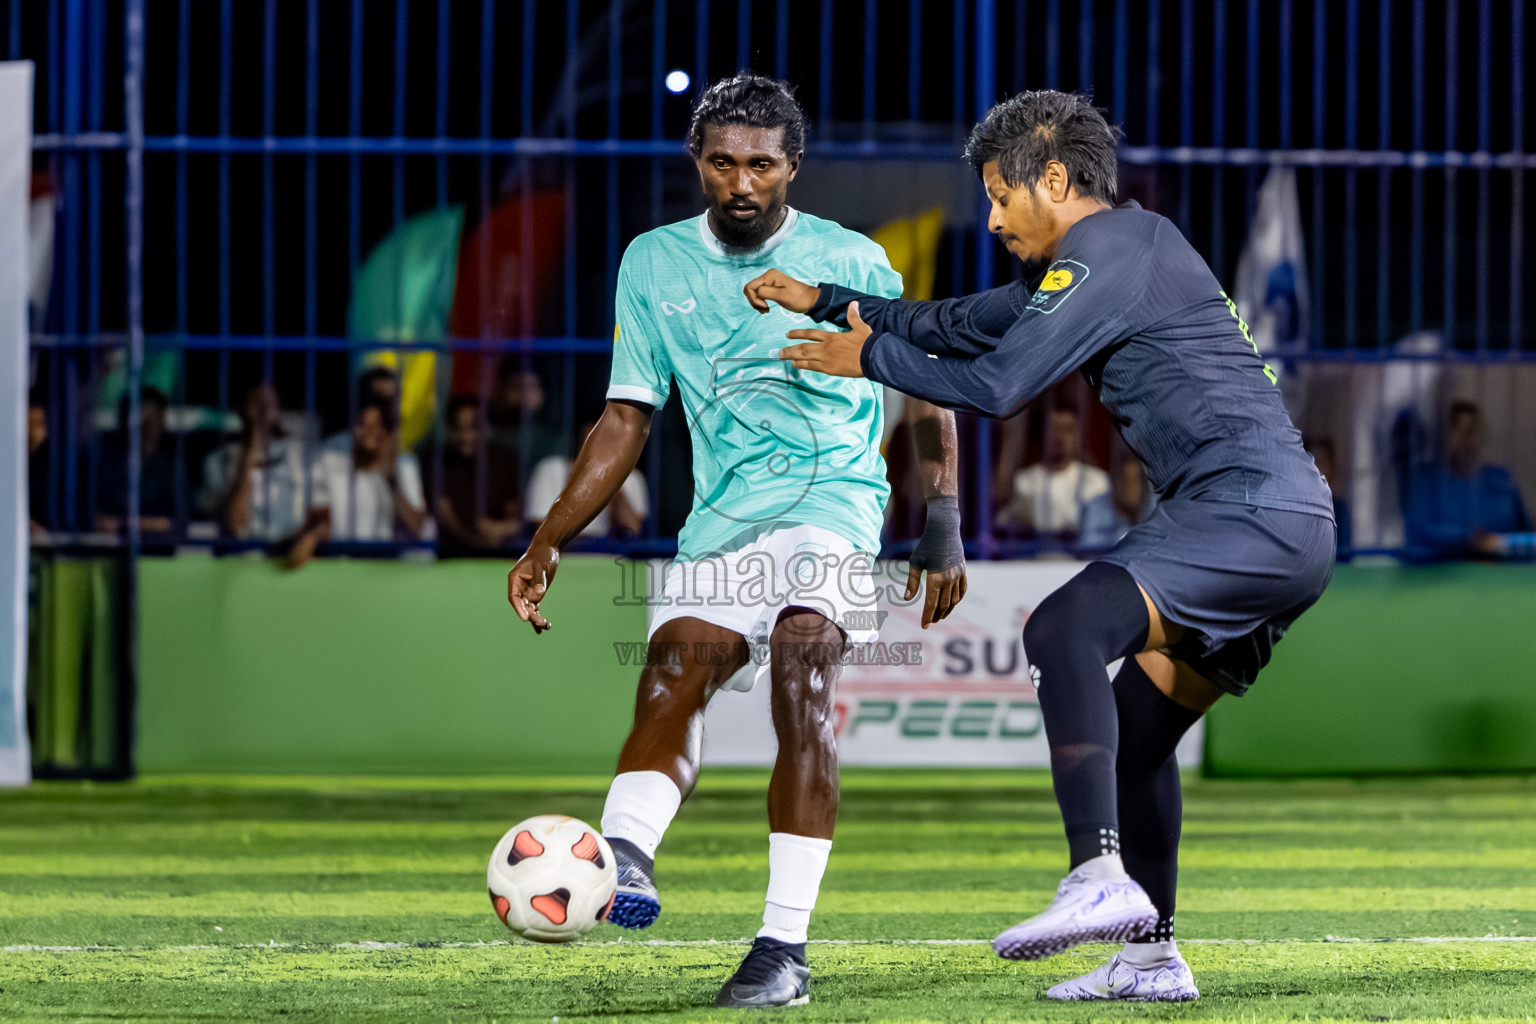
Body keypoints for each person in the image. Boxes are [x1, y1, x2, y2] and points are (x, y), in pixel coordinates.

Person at [750, 89, 1335, 1002]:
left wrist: (862, 359)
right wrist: (827, 300)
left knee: (1064, 627)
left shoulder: (1113, 249)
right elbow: (962, 324)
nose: (988, 217)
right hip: (1279, 524)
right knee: (1138, 746)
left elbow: (998, 383)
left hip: (1245, 512)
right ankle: (1151, 960)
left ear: (1054, 177)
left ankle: (1097, 874)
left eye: (998, 194)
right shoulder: (1106, 259)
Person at [506, 73, 967, 1009]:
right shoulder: (653, 263)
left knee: (803, 669)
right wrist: (549, 537)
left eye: (762, 164)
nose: (742, 182)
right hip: (723, 520)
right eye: (723, 162)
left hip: (835, 502)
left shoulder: (852, 259)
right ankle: (623, 856)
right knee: (674, 673)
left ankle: (781, 949)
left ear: (792, 166)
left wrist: (943, 520)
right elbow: (626, 417)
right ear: (698, 163)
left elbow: (923, 387)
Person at [289, 396, 427, 567]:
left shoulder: (403, 468)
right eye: (362, 424)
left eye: (376, 425)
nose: (369, 430)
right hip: (341, 564)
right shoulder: (331, 465)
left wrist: (390, 477)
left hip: (387, 566)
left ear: (385, 432)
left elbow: (417, 528)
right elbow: (318, 523)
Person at [1403, 400, 1531, 561]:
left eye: (1472, 430)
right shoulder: (1426, 480)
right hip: (1439, 570)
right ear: (1445, 437)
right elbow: (1418, 530)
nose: (1466, 439)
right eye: (1458, 430)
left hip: (1500, 571)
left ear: (1482, 434)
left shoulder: (1502, 480)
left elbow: (1525, 532)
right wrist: (1466, 538)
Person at [198, 381, 306, 543]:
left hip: (286, 552)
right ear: (242, 411)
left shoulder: (300, 455)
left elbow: (308, 514)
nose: (264, 411)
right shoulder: (218, 460)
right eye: (256, 404)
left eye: (270, 405)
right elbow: (232, 525)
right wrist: (248, 463)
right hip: (238, 555)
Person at [523, 420, 648, 539]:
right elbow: (544, 535)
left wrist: (613, 484)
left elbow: (633, 533)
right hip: (566, 558)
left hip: (610, 558)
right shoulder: (552, 469)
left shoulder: (631, 477)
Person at [428, 396, 522, 551]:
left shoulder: (506, 459)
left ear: (487, 427)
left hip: (500, 549)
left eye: (473, 428)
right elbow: (443, 513)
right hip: (450, 549)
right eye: (458, 428)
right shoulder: (437, 459)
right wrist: (475, 542)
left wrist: (500, 529)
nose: (465, 437)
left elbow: (514, 514)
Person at [999, 404, 1109, 536]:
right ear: (1042, 433)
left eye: (1068, 429)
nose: (1060, 437)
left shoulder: (1097, 481)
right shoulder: (1024, 481)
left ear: (1079, 435)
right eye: (1054, 429)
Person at [96, 386, 181, 537]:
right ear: (124, 424)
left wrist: (124, 524)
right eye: (140, 425)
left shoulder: (172, 471)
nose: (147, 433)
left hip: (159, 555)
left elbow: (177, 523)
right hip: (105, 552)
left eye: (153, 423)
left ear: (163, 424)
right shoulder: (100, 467)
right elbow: (92, 519)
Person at [1077, 453, 1149, 551]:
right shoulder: (1096, 506)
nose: (1129, 488)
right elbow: (1088, 544)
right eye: (1124, 480)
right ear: (1114, 481)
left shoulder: (1156, 510)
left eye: (1133, 481)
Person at [1303, 435, 1352, 560]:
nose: (1317, 469)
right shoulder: (1293, 510)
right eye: (1311, 462)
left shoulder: (1339, 509)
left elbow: (1344, 554)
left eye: (1322, 461)